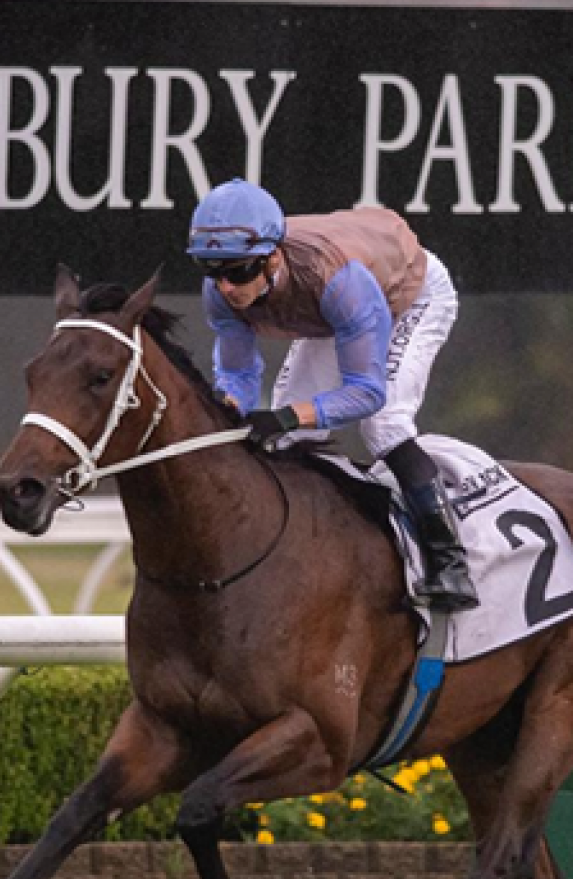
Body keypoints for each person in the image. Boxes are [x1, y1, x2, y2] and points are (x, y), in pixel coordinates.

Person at [188, 177, 479, 612]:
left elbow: (366, 393)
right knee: (288, 441)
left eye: (238, 271)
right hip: (331, 313)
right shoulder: (221, 293)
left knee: (384, 426)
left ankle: (449, 562)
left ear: (271, 258)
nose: (227, 287)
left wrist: (285, 415)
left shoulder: (338, 281)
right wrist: (231, 408)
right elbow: (238, 373)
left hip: (407, 297)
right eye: (213, 271)